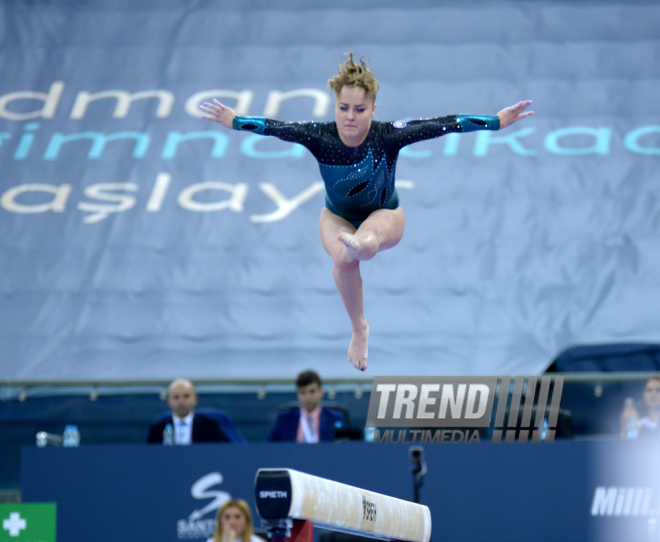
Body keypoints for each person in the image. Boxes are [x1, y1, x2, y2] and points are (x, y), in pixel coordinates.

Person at [199, 53, 534, 371]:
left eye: (359, 109)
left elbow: (442, 124)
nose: (350, 116)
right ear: (335, 107)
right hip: (336, 217)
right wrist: (235, 121)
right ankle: (359, 328)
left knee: (364, 242)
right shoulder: (320, 137)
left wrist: (495, 122)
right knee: (345, 259)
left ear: (373, 109)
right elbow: (275, 126)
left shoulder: (387, 136)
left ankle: (360, 244)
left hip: (385, 216)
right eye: (343, 107)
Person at [267, 370, 347, 442]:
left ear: (321, 392)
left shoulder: (335, 418)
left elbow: (345, 447)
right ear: (297, 394)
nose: (308, 397)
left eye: (312, 392)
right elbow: (270, 448)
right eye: (303, 392)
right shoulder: (284, 419)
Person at [147, 378, 229, 444]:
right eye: (176, 397)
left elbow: (220, 453)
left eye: (186, 396)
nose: (181, 401)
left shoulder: (210, 426)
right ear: (169, 401)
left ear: (195, 399)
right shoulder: (157, 429)